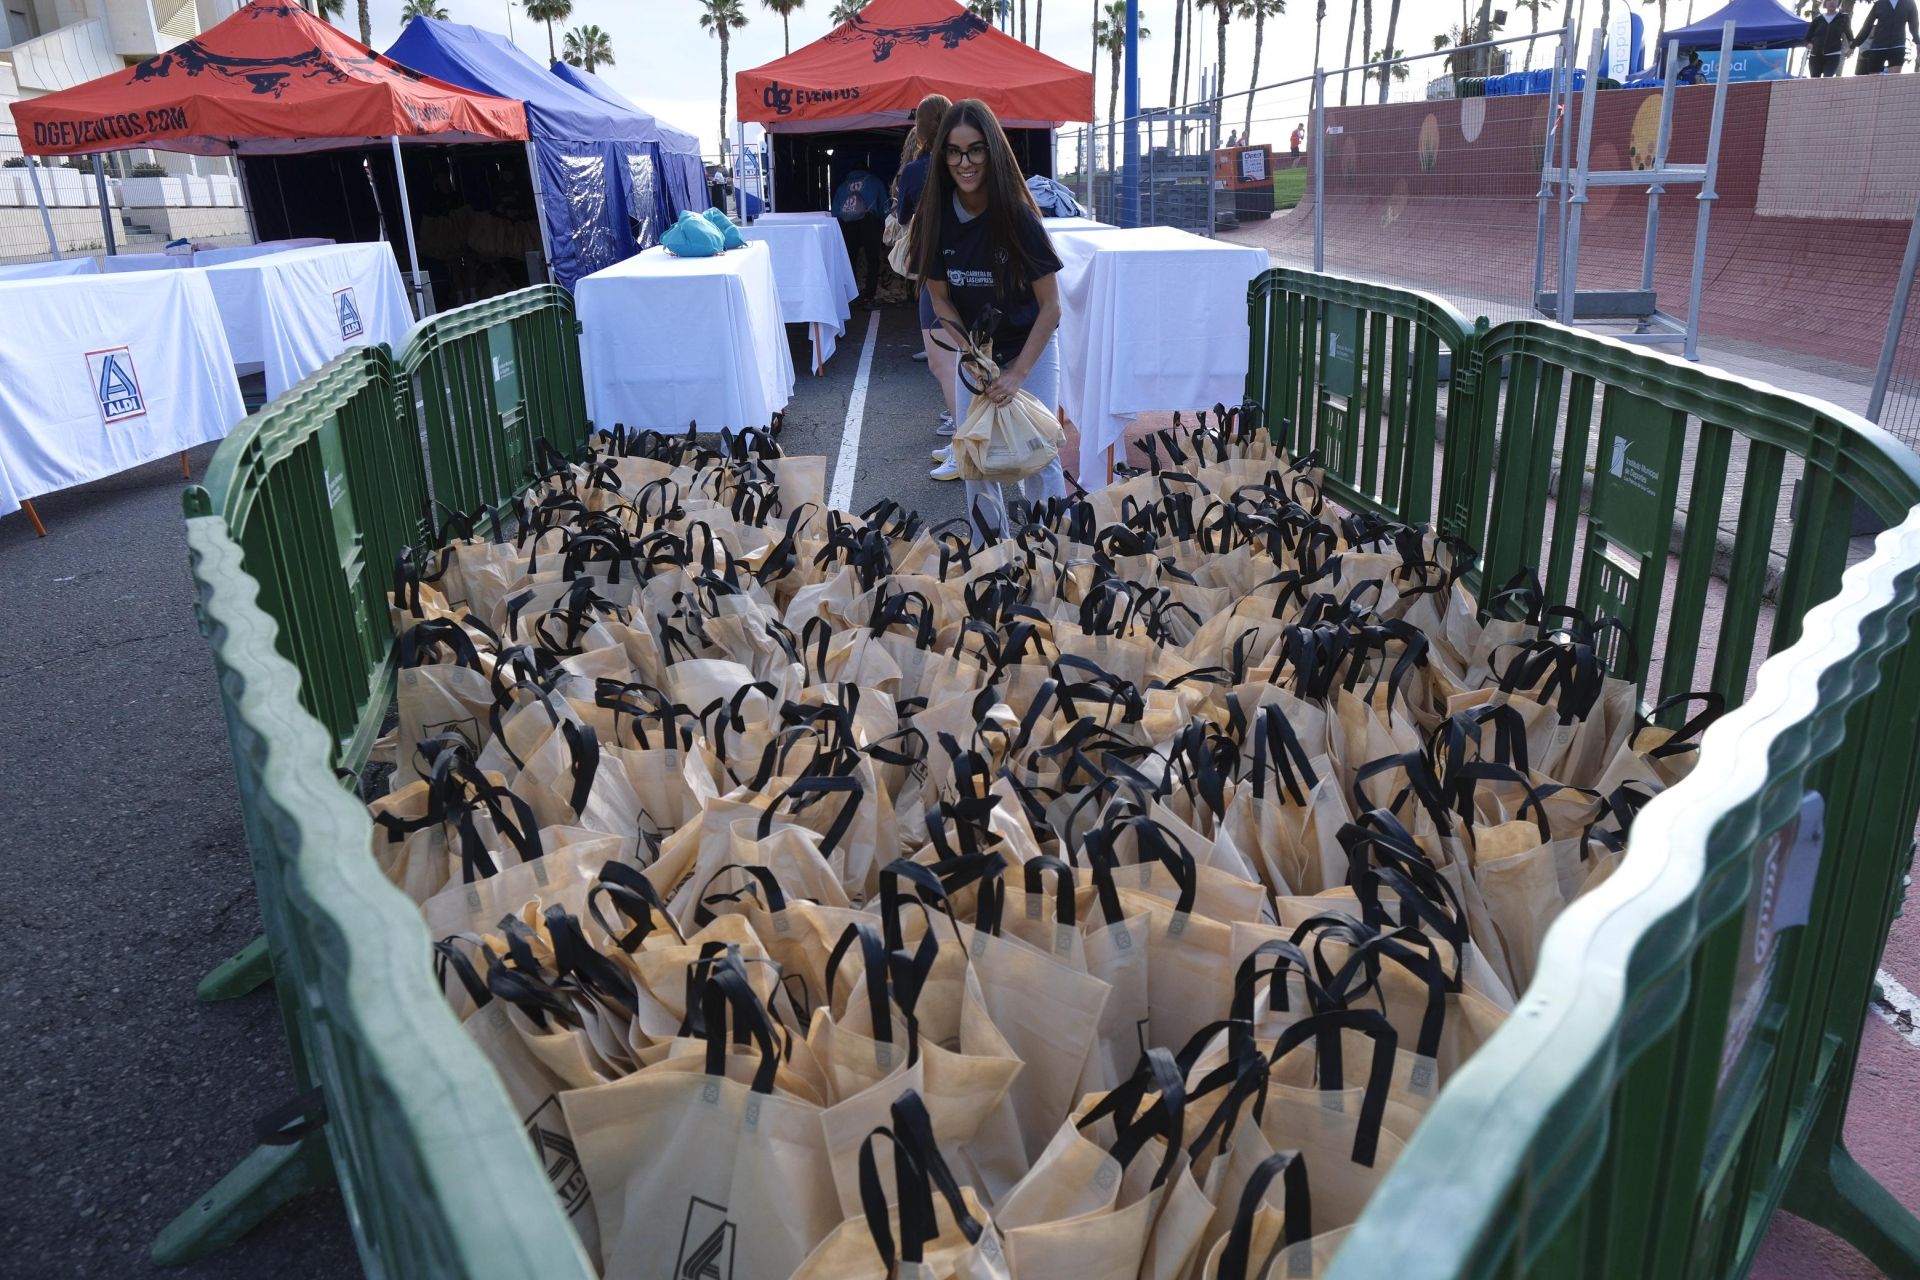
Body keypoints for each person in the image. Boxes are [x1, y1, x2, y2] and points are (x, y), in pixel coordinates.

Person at [909, 99, 1067, 529]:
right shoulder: (936, 218)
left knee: (1038, 454)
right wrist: (971, 354)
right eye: (954, 151)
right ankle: (989, 556)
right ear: (942, 156)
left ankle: (1056, 546)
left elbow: (1051, 307)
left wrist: (1016, 375)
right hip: (977, 352)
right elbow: (940, 298)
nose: (965, 162)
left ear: (992, 151)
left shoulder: (1017, 217)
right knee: (975, 456)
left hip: (1027, 345)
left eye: (975, 149)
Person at [893, 93, 957, 436]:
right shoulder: (962, 163)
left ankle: (964, 441)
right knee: (967, 356)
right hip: (974, 269)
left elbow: (903, 215)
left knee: (942, 361)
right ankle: (965, 427)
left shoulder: (917, 170)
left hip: (937, 271)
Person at [832, 162, 889, 306]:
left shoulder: (843, 185)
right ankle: (868, 295)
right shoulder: (875, 181)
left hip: (847, 224)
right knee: (873, 259)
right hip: (869, 222)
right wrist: (884, 227)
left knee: (849, 259)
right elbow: (884, 206)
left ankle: (849, 296)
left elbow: (835, 212)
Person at [1853, 0, 1919, 73]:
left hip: (1897, 46)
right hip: (1878, 47)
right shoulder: (1879, 4)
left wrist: (1918, 42)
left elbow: (1914, 26)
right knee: (1874, 81)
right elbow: (1867, 26)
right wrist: (1854, 45)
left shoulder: (1910, 3)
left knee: (1893, 80)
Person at [1806, 0, 1854, 75]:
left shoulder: (1843, 17)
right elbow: (1807, 38)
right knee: (1814, 82)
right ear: (1825, 3)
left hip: (1833, 55)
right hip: (1815, 56)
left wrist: (1851, 48)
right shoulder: (1817, 19)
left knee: (1827, 80)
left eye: (1835, 0)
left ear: (1838, 2)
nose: (1832, 2)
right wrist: (1810, 45)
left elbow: (1849, 35)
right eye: (1829, 0)